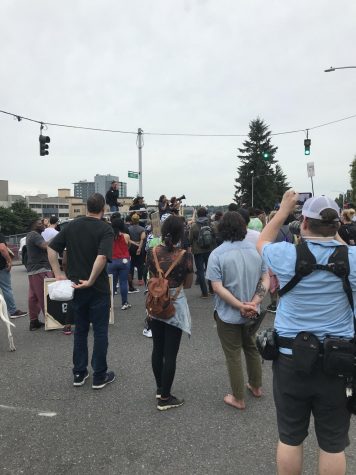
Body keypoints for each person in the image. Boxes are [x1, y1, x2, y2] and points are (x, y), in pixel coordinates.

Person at [257, 191, 355, 475]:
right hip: (338, 361)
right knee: (333, 444)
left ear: (303, 224)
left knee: (290, 436)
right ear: (337, 226)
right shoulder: (353, 259)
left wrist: (284, 210)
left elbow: (262, 240)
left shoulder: (286, 255)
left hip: (290, 358)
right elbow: (342, 249)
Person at [48, 193, 115, 390]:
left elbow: (52, 249)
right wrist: (91, 280)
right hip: (98, 287)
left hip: (75, 287)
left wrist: (58, 272)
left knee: (80, 331)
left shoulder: (72, 226)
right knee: (100, 332)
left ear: (86, 207)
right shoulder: (105, 229)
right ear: (103, 208)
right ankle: (99, 375)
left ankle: (79, 372)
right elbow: (102, 257)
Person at [206, 212, 269, 410]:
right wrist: (254, 302)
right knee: (251, 348)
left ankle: (238, 397)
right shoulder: (256, 251)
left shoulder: (217, 254)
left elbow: (217, 287)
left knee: (233, 354)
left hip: (228, 313)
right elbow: (265, 279)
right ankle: (256, 386)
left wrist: (239, 305)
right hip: (252, 312)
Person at [146, 215, 193, 410]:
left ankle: (159, 388)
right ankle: (165, 398)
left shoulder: (152, 252)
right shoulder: (185, 255)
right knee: (170, 353)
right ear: (181, 233)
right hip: (175, 302)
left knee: (157, 348)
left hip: (156, 301)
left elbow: (151, 275)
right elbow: (189, 284)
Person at [26, 218, 53, 330]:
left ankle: (34, 321)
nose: (42, 224)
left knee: (33, 297)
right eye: (39, 223)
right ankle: (51, 320)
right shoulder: (35, 235)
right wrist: (58, 239)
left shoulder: (30, 235)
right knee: (44, 295)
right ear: (33, 225)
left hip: (33, 269)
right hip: (40, 269)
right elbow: (45, 246)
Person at [189, 207, 215, 298]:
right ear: (206, 214)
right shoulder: (210, 224)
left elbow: (190, 239)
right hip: (209, 249)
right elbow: (215, 235)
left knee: (200, 271)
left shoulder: (194, 226)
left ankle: (204, 293)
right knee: (210, 269)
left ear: (197, 215)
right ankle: (212, 290)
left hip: (198, 251)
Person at [0, 233, 27, 319]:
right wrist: (9, 261)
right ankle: (13, 311)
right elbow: (2, 248)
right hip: (1, 267)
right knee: (6, 289)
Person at [107, 219, 131, 310]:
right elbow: (128, 246)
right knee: (123, 282)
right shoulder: (126, 236)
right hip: (124, 261)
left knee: (111, 284)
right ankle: (124, 303)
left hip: (112, 261)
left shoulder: (109, 236)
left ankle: (110, 304)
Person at [128, 214, 146, 287]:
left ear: (132, 220)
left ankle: (131, 279)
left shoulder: (128, 229)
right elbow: (142, 239)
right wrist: (139, 248)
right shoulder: (142, 229)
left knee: (131, 264)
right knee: (140, 264)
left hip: (131, 247)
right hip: (139, 248)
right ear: (138, 220)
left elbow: (128, 239)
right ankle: (140, 280)